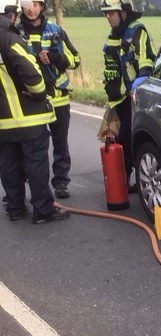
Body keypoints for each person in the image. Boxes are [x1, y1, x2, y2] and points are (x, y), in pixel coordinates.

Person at [0, 0, 69, 224]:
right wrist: (40, 93)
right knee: (36, 162)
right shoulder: (9, 39)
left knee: (9, 163)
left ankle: (15, 208)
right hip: (26, 117)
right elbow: (31, 74)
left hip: (2, 121)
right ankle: (43, 210)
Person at [18, 0, 80, 199]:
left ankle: (61, 181)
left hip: (58, 99)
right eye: (27, 4)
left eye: (36, 4)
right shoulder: (15, 32)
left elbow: (75, 60)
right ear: (21, 6)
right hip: (30, 102)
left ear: (42, 6)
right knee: (32, 148)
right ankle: (33, 184)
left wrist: (56, 58)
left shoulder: (56, 31)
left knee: (60, 144)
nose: (31, 9)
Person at [99, 0, 155, 192]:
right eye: (105, 13)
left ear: (123, 12)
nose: (107, 16)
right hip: (117, 98)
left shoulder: (137, 31)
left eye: (111, 13)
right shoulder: (112, 36)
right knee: (120, 140)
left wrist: (140, 81)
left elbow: (147, 60)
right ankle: (124, 180)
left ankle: (139, 178)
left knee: (128, 138)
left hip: (134, 96)